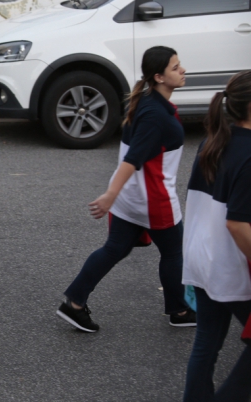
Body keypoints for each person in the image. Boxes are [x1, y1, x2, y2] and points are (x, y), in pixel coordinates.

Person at [57, 46, 196, 332]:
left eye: (179, 65)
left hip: (129, 198)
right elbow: (133, 160)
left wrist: (114, 195)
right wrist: (109, 196)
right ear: (158, 76)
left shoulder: (147, 100)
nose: (182, 70)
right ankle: (179, 311)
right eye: (175, 67)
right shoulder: (156, 116)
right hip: (152, 198)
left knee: (115, 249)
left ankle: (74, 304)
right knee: (173, 252)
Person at [182, 71, 251, 401]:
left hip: (202, 257)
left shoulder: (213, 140)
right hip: (230, 265)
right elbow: (238, 225)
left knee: (207, 343)